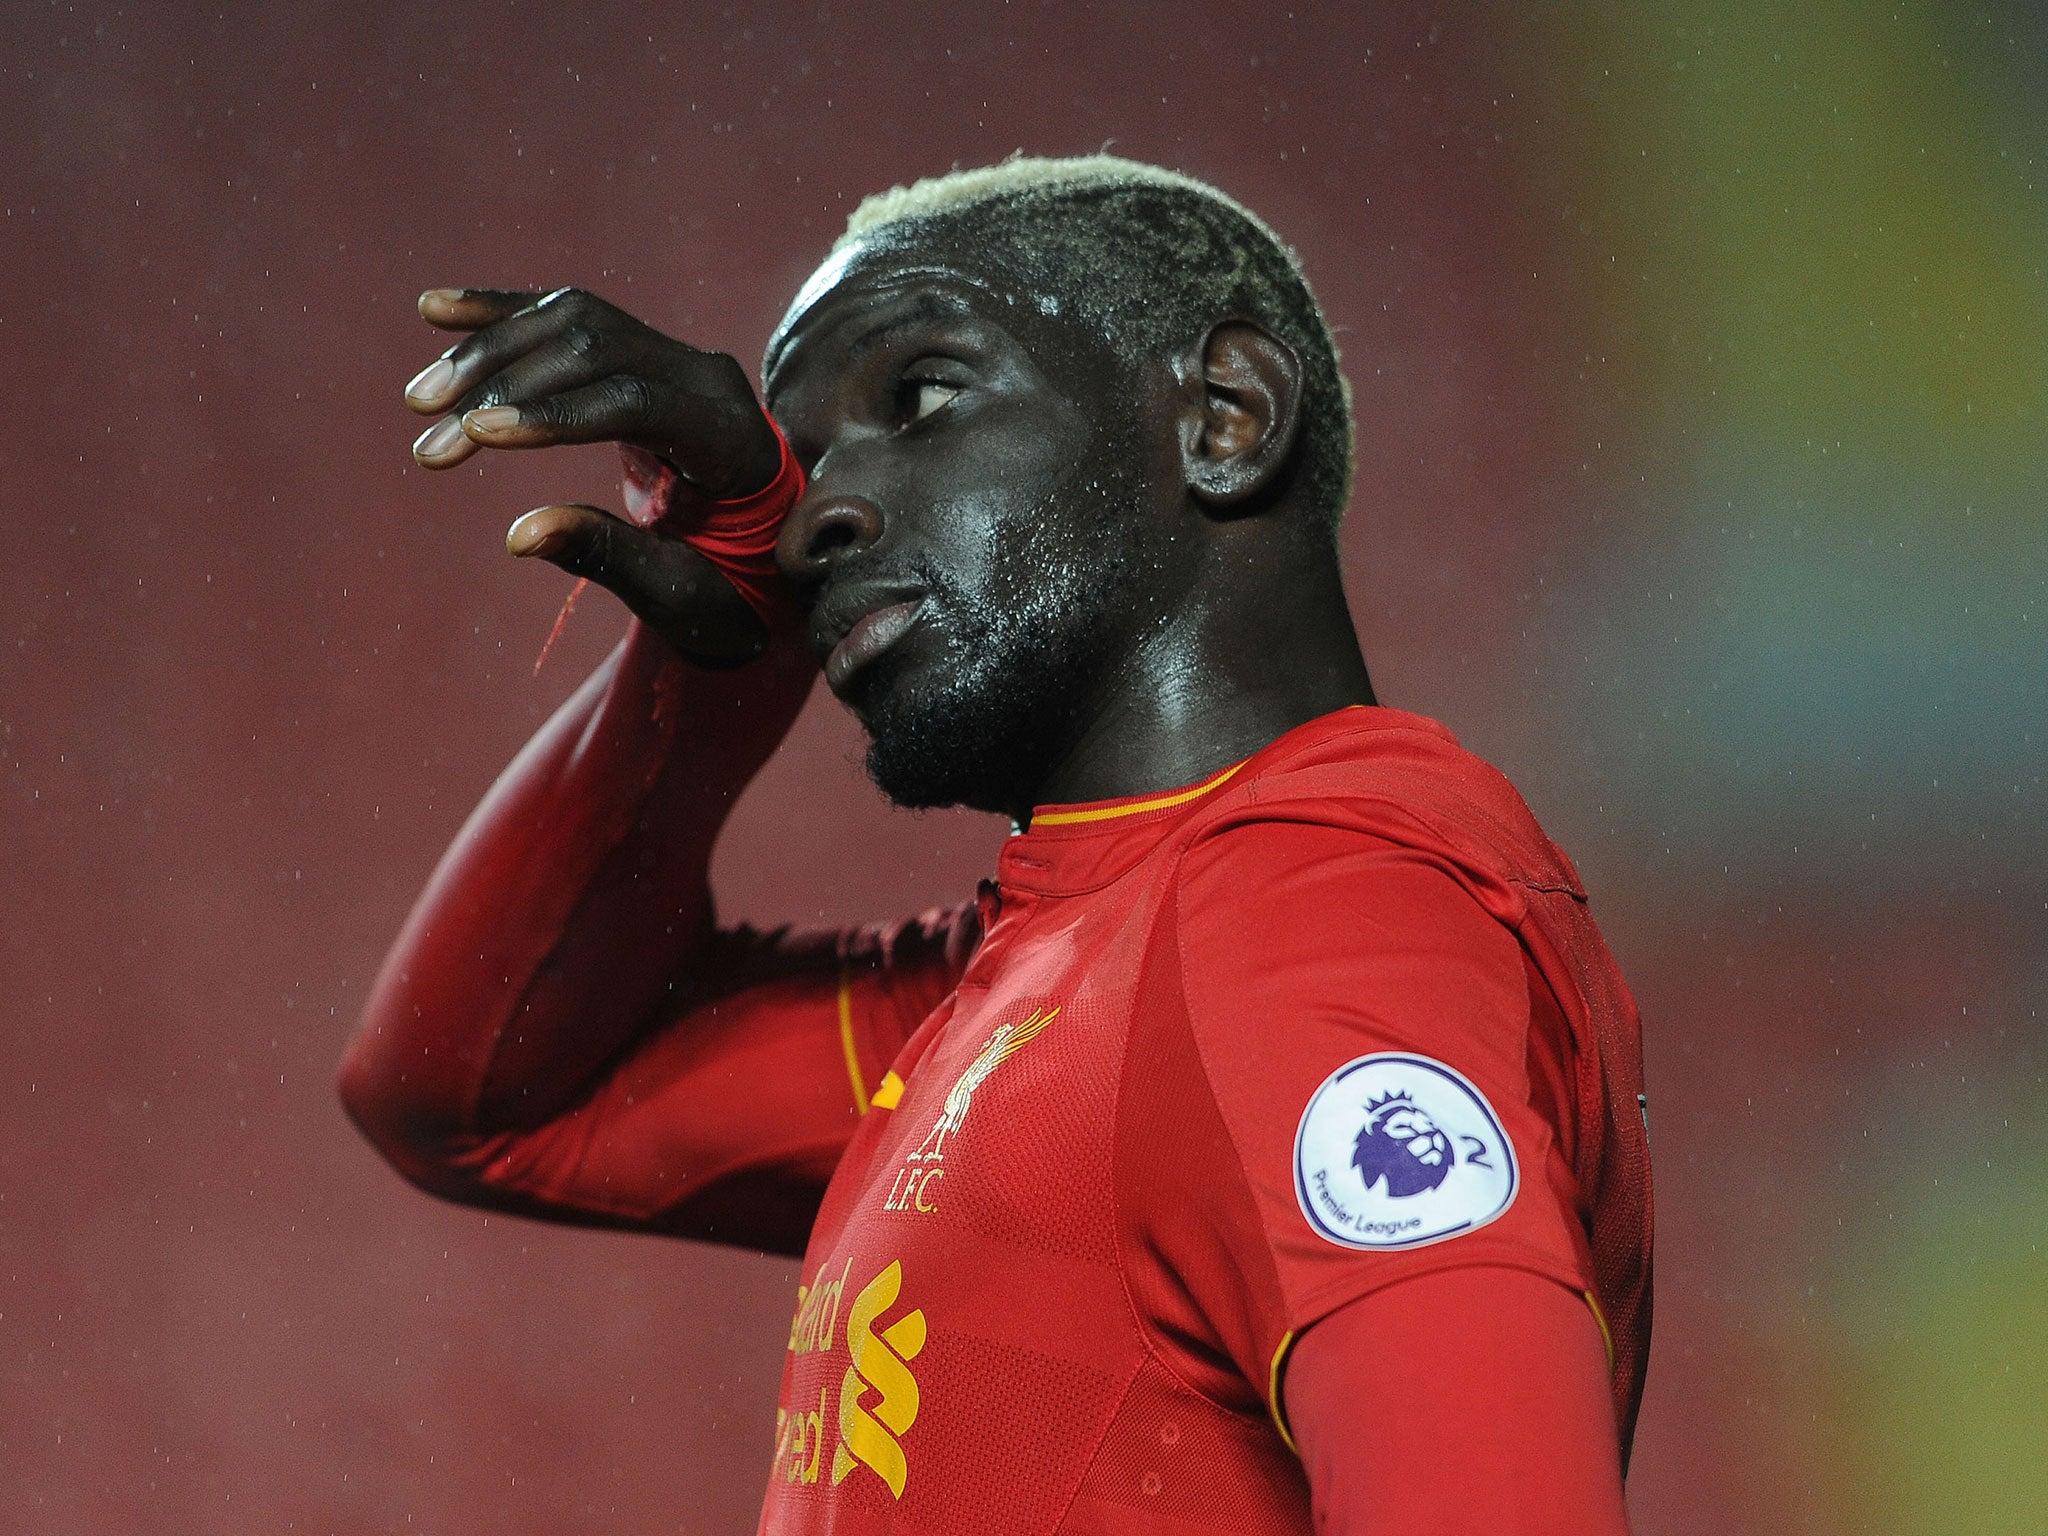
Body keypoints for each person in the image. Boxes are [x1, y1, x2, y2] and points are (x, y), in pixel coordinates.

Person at [339, 155, 1651, 1534]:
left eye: (921, 397)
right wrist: (709, 661)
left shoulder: (1309, 909)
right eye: (798, 482)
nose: (818, 522)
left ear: (1227, 415)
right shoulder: (1079, 966)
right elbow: (475, 1100)